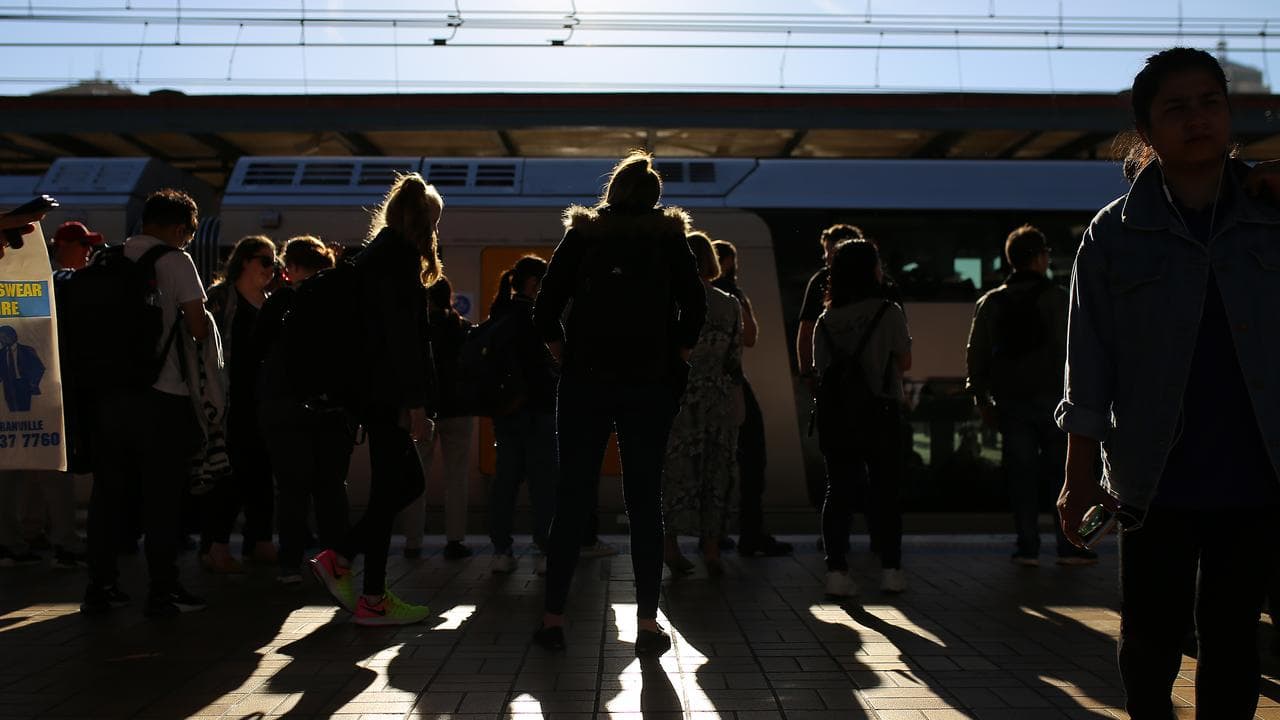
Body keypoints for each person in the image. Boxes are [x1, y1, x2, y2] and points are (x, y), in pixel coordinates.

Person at [1055, 48, 1280, 719]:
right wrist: (1078, 476)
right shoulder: (1113, 236)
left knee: (1235, 642)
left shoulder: (1272, 214)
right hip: (1153, 479)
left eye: (1210, 102)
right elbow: (1087, 364)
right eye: (1175, 108)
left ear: (1231, 116)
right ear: (1146, 132)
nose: (1197, 119)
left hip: (1259, 472)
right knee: (1150, 641)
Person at [532, 151, 705, 656]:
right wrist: (675, 352)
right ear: (655, 197)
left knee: (572, 499)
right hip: (648, 384)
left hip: (585, 382)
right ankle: (647, 626)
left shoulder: (583, 234)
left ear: (612, 192)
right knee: (644, 501)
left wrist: (566, 352)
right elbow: (694, 305)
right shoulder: (669, 238)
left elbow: (545, 306)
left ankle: (553, 619)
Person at [309, 173, 440, 627]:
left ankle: (372, 598)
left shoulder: (371, 256)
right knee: (407, 485)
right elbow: (403, 340)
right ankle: (341, 559)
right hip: (387, 396)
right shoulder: (399, 261)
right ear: (424, 223)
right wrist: (417, 403)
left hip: (367, 392)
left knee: (390, 489)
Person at [82, 188, 209, 618]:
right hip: (161, 396)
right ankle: (164, 590)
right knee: (161, 498)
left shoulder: (105, 258)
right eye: (189, 234)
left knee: (108, 496)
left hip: (109, 396)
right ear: (178, 229)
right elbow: (197, 327)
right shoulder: (175, 260)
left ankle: (100, 587)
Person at [965, 225, 1096, 567]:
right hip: (1054, 400)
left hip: (1011, 402)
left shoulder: (990, 302)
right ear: (1039, 258)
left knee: (1021, 477)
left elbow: (976, 354)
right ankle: (1069, 547)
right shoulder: (1057, 298)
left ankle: (1027, 547)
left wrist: (981, 399)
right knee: (1059, 474)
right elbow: (1073, 352)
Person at [814, 239, 911, 598]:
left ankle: (836, 572)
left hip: (837, 415)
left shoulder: (826, 319)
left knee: (838, 491)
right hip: (881, 411)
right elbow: (904, 362)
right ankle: (891, 570)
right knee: (886, 491)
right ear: (873, 270)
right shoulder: (889, 311)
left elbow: (820, 370)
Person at [255, 236, 351, 585]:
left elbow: (257, 350)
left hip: (284, 406)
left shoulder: (280, 302)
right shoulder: (343, 301)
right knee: (331, 488)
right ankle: (335, 560)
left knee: (292, 489)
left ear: (292, 267)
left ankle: (291, 565)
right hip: (333, 409)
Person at [662, 232, 743, 576]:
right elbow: (734, 359)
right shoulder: (729, 303)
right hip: (717, 400)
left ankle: (670, 547)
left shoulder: (668, 302)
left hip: (676, 400)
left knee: (674, 474)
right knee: (716, 473)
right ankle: (711, 551)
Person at [201, 235, 279, 573]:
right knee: (229, 473)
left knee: (262, 472)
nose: (270, 269)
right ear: (244, 260)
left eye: (273, 263)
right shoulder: (220, 298)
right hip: (229, 401)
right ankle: (216, 544)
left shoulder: (272, 301)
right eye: (265, 261)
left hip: (264, 402)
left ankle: (259, 540)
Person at [478, 256, 559, 575]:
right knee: (544, 483)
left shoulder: (499, 312)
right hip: (539, 409)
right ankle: (545, 548)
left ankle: (501, 550)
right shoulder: (537, 316)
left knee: (505, 482)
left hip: (507, 412)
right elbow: (549, 363)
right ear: (533, 283)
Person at [712, 239, 792, 557]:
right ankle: (750, 532)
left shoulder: (682, 293)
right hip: (731, 383)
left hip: (694, 387)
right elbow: (751, 337)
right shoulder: (729, 297)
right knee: (751, 457)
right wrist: (740, 299)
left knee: (708, 461)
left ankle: (712, 536)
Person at [399, 276, 475, 561]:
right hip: (459, 411)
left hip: (424, 412)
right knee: (457, 479)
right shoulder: (464, 328)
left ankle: (412, 542)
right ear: (450, 298)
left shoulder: (418, 330)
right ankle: (455, 541)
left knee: (417, 478)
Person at [797, 223, 866, 510]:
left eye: (830, 253)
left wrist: (807, 373)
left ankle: (837, 536)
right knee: (872, 463)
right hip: (873, 391)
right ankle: (880, 536)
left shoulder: (821, 282)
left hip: (832, 389)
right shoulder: (884, 290)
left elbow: (806, 330)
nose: (826, 260)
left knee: (836, 467)